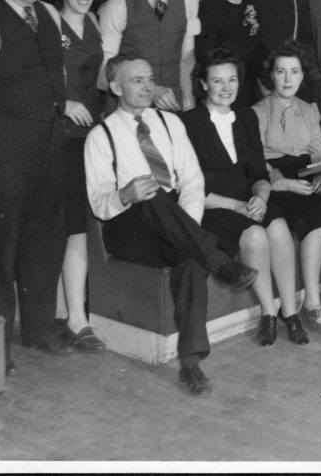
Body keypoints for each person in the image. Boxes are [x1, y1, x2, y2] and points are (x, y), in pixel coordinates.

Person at [85, 55, 260, 397]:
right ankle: (222, 262)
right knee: (149, 194)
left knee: (192, 259)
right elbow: (99, 204)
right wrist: (125, 193)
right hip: (127, 228)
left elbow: (193, 182)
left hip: (175, 225)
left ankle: (191, 363)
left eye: (150, 78)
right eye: (137, 80)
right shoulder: (100, 136)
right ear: (117, 87)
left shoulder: (170, 123)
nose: (147, 86)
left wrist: (186, 228)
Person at [0, 0, 72, 373]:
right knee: (0, 249)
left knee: (45, 239)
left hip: (51, 144)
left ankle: (38, 329)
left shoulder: (50, 14)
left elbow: (57, 78)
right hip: (6, 146)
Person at [180, 48, 310, 345]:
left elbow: (259, 174)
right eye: (217, 81)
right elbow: (190, 188)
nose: (227, 88)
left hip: (248, 197)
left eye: (232, 80)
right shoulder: (188, 123)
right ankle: (268, 313)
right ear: (202, 84)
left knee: (277, 228)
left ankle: (290, 314)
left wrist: (261, 197)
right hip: (213, 205)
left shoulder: (247, 117)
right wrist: (237, 205)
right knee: (254, 235)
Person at [253, 40, 321, 328]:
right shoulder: (258, 112)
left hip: (309, 172)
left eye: (294, 72)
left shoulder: (309, 110)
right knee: (316, 219)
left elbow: (320, 152)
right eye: (281, 72)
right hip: (277, 180)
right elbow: (257, 162)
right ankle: (311, 303)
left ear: (303, 74)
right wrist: (283, 183)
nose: (288, 79)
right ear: (271, 75)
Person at [52, 0, 107, 352]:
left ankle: (65, 310)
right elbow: (35, 77)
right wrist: (63, 102)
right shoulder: (49, 23)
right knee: (73, 227)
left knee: (77, 226)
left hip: (90, 138)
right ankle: (76, 319)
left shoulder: (92, 22)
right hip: (59, 137)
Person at [197, 0, 263, 106]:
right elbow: (205, 58)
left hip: (254, 90)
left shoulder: (255, 5)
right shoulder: (207, 8)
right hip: (223, 92)